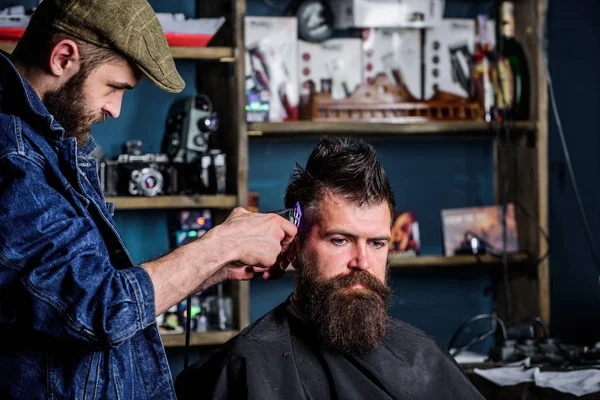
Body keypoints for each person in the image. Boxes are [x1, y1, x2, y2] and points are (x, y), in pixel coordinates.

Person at [0, 0, 296, 399]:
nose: (115, 109)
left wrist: (215, 265)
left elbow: (82, 289)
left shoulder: (47, 143)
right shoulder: (13, 155)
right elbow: (100, 308)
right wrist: (222, 244)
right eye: (114, 87)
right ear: (63, 56)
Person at [175, 138, 485, 400]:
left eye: (377, 243)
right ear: (294, 247)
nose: (362, 262)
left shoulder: (422, 356)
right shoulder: (247, 364)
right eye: (340, 240)